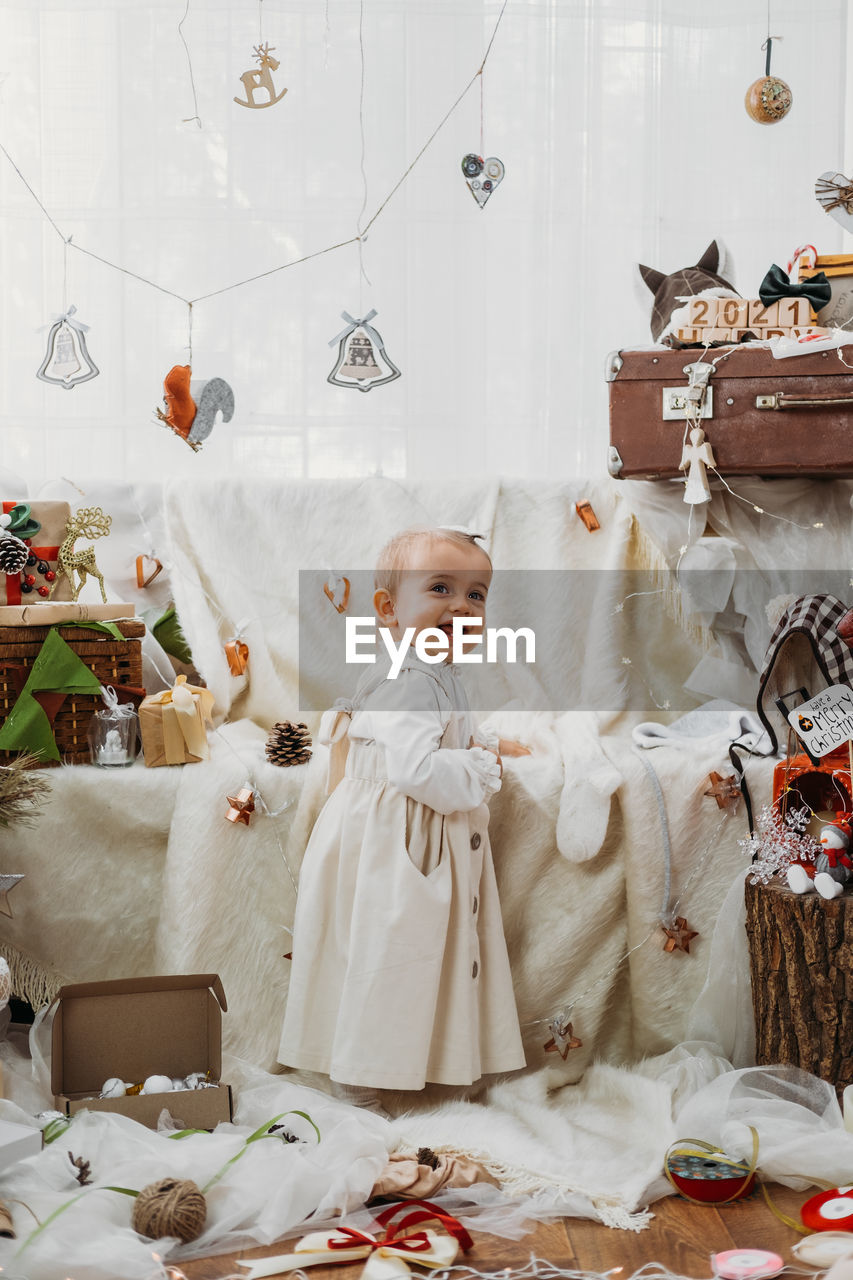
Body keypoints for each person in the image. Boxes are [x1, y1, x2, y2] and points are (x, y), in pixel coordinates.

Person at [278, 526, 528, 1111]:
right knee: (390, 957)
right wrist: (480, 765)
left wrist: (480, 741)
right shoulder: (411, 678)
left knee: (408, 958)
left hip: (400, 832)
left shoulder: (428, 671)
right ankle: (362, 1085)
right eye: (440, 588)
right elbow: (417, 770)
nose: (461, 606)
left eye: (477, 595)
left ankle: (423, 1066)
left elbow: (436, 735)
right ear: (389, 610)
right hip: (400, 842)